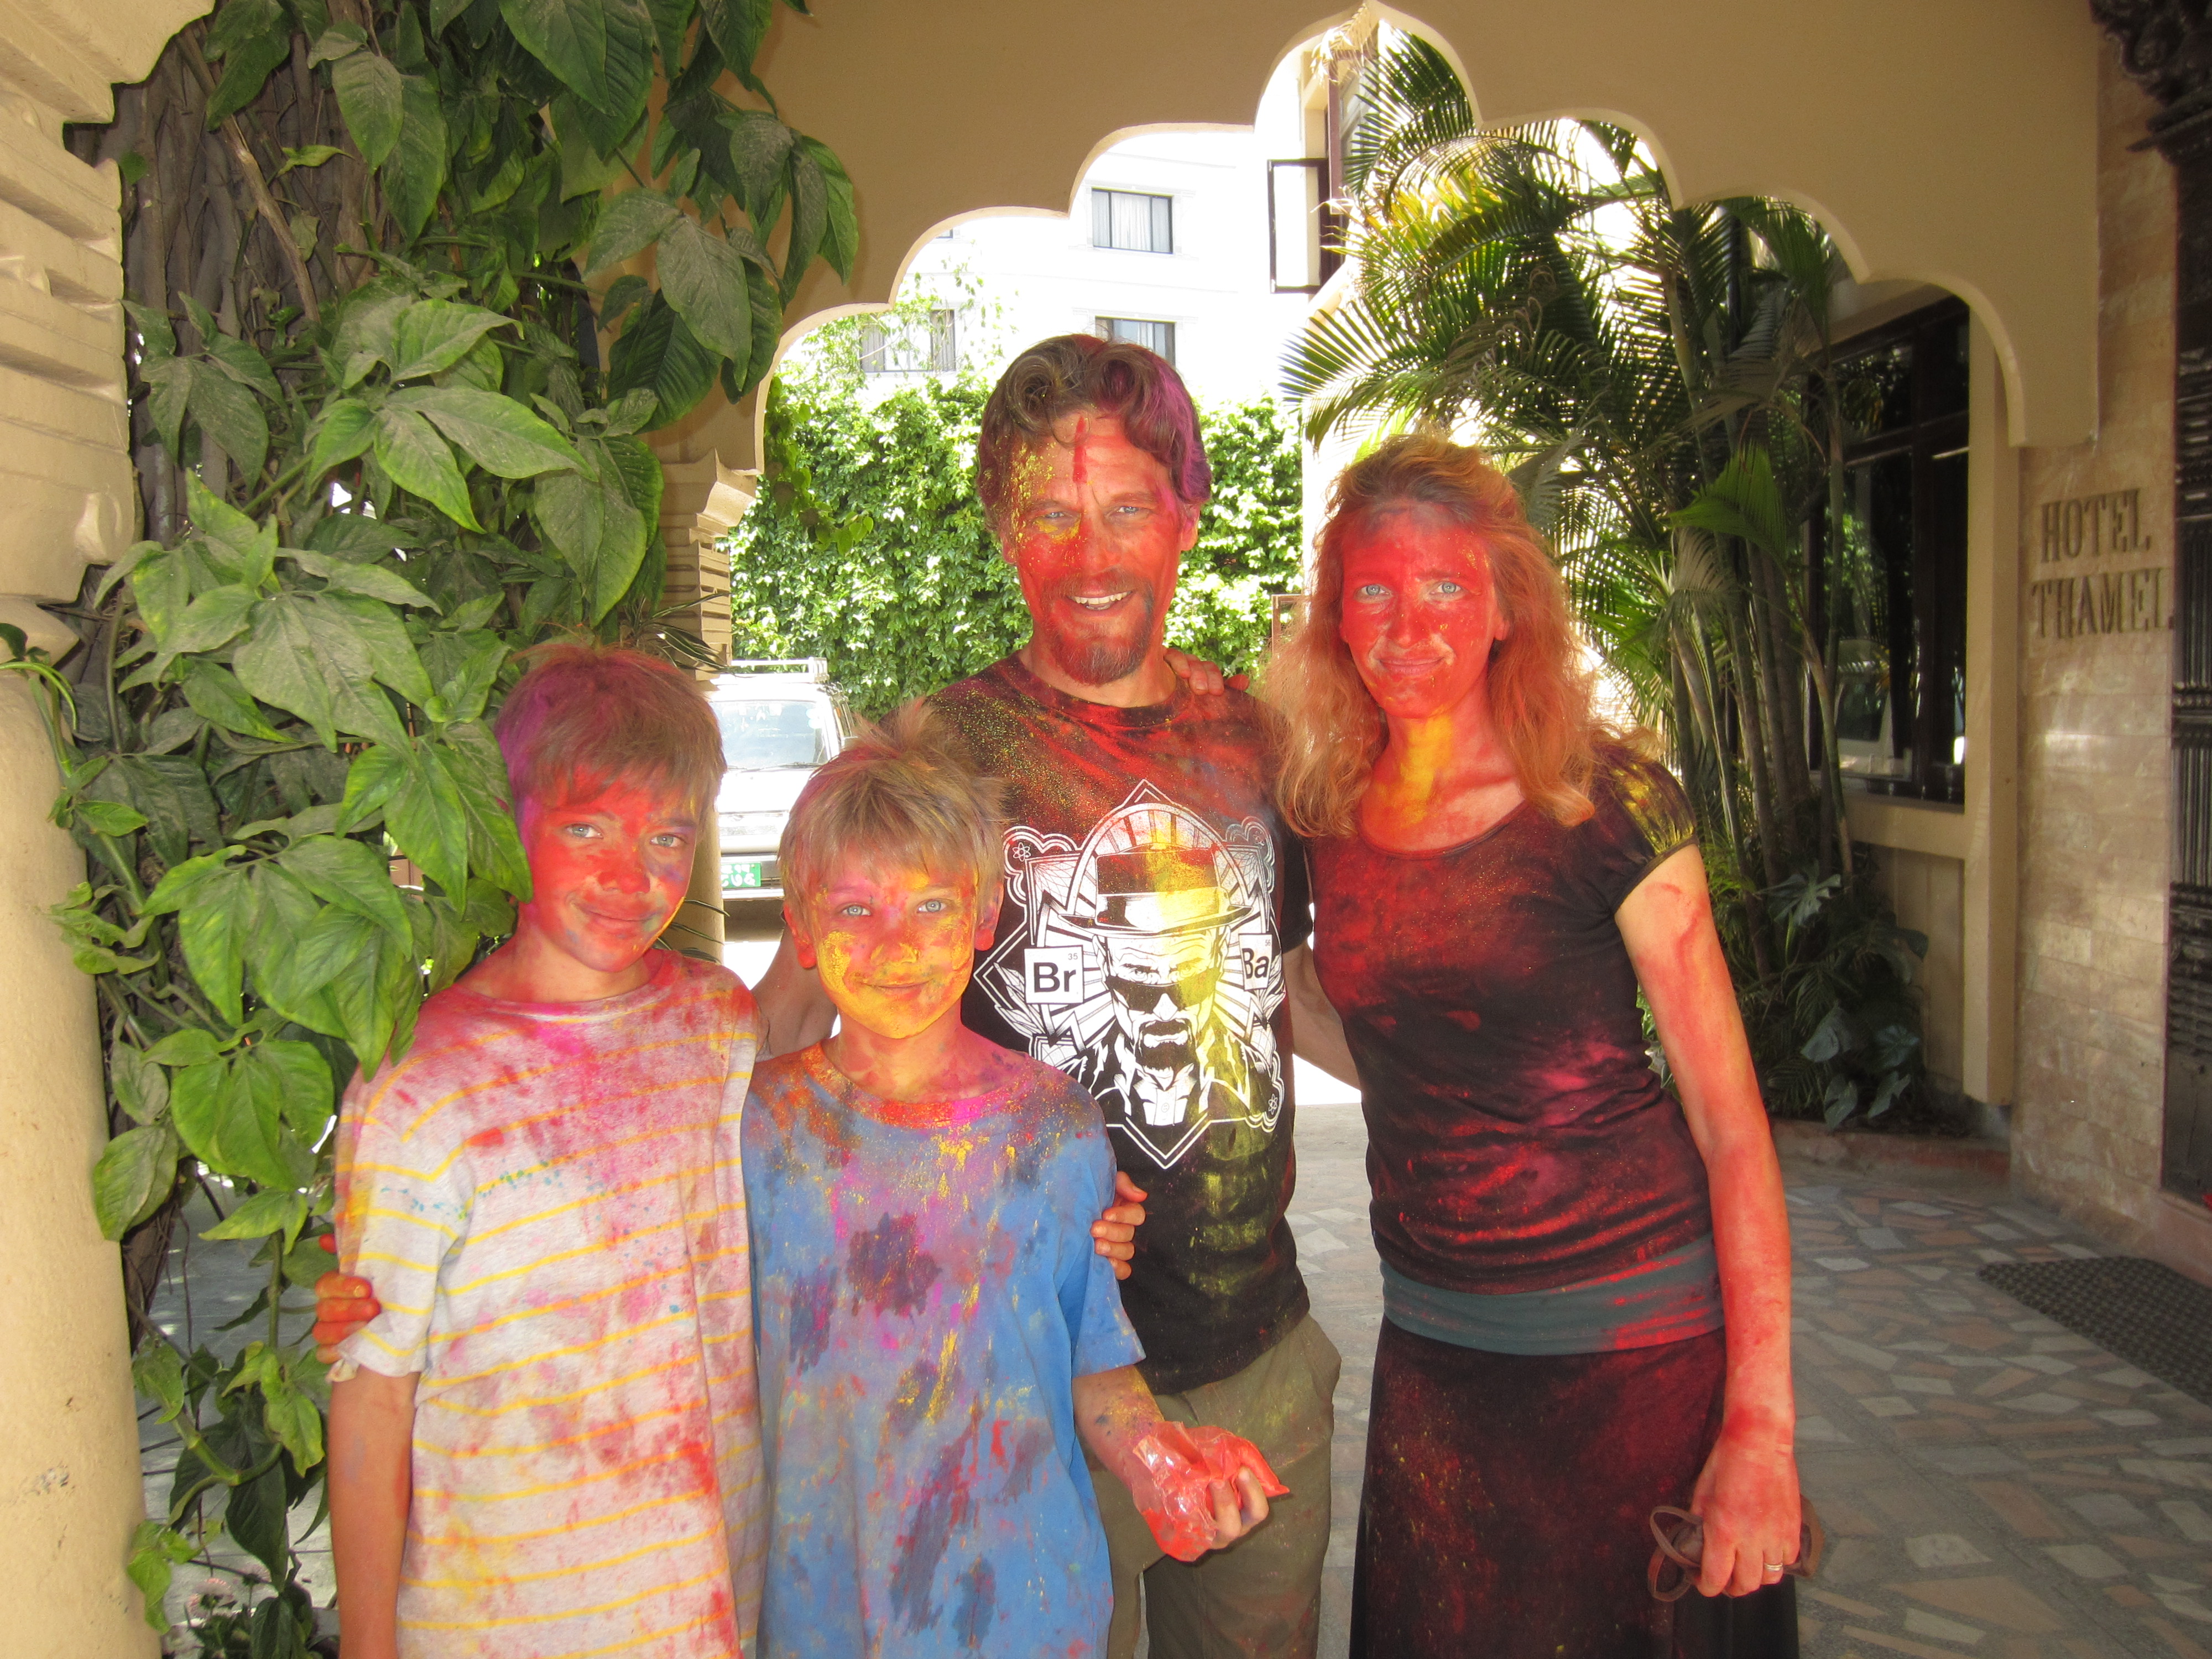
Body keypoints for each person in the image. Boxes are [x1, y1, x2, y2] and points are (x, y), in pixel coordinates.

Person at [753, 334, 1341, 1659]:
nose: (1090, 557)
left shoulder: (1260, 741)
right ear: (999, 528)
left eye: (1126, 508)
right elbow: (790, 1016)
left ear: (1185, 515)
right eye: (1049, 517)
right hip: (1013, 1382)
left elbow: (1297, 986)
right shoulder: (934, 751)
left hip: (1252, 1357)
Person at [1264, 435, 1802, 1658]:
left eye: (1445, 587)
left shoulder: (1602, 800)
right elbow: (1370, 1030)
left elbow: (1730, 1125)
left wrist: (1761, 1430)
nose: (1409, 626)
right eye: (1373, 591)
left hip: (1637, 1355)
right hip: (1437, 1351)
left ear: (1506, 606)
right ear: (1336, 615)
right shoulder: (1327, 813)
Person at [743, 705, 1282, 1657]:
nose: (897, 946)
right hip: (823, 1607)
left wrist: (1160, 1461)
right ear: (803, 927)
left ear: (986, 913)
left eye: (932, 906)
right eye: (856, 910)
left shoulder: (1053, 1126)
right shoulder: (757, 1128)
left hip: (1025, 1607)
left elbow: (1093, 1363)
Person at [324, 645, 768, 1659]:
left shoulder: (718, 1025)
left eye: (667, 836)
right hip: (505, 1620)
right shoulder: (421, 1087)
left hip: (710, 1603)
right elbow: (374, 1393)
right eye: (585, 828)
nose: (631, 875)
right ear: (509, 824)